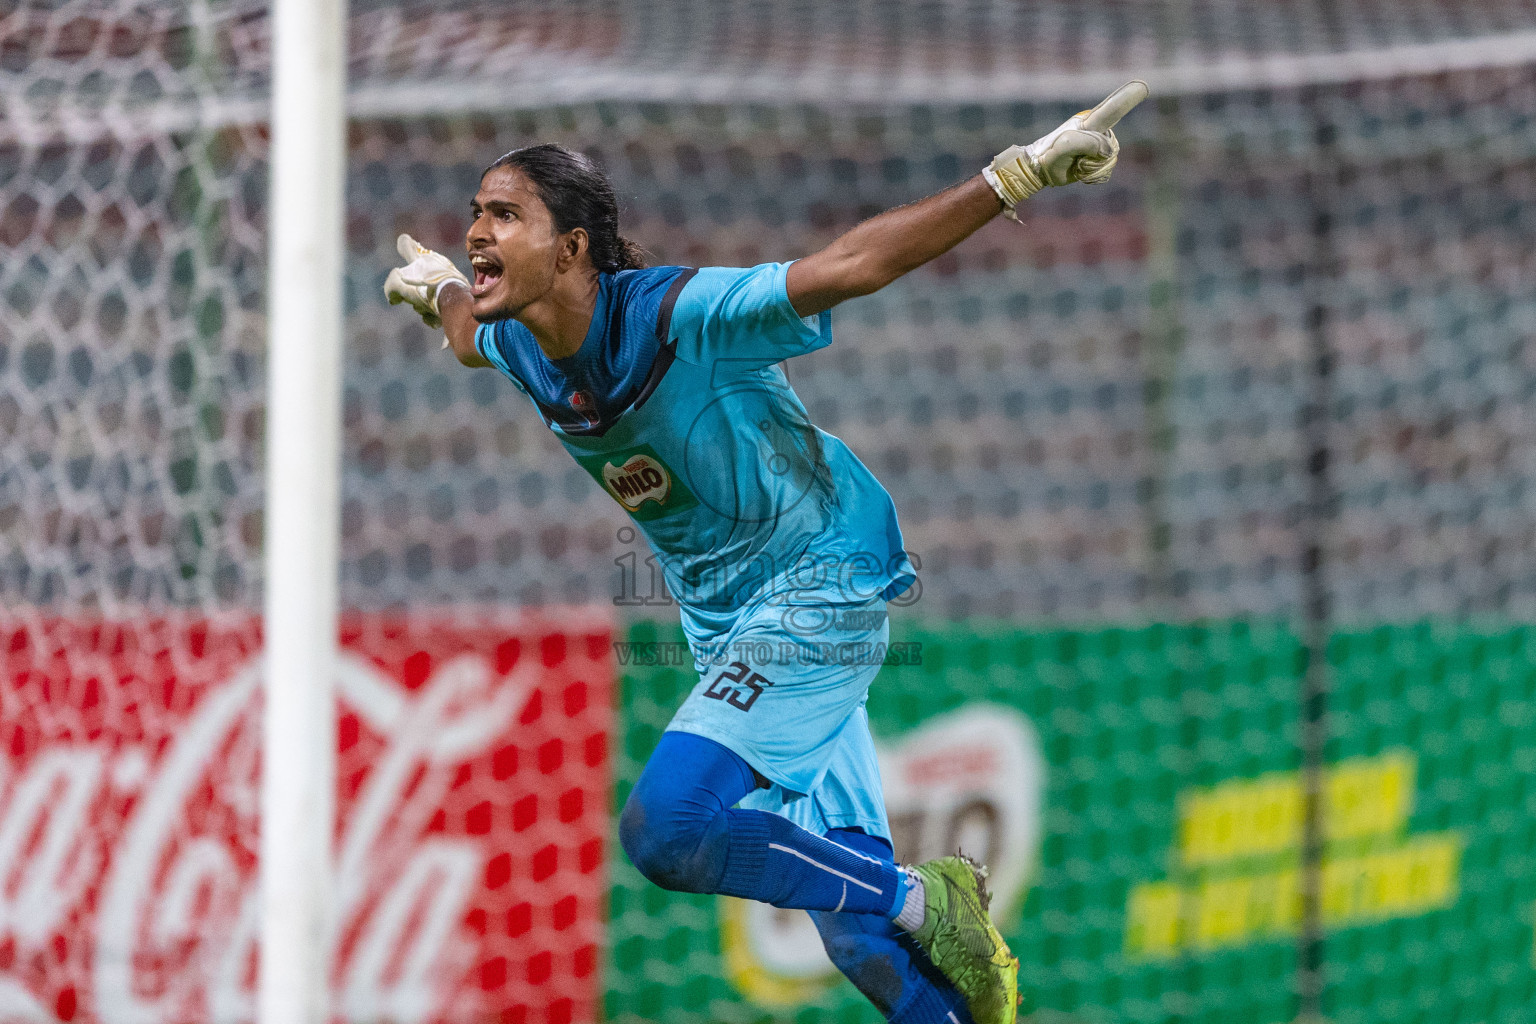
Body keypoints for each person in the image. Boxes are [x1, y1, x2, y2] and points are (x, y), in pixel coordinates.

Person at [385, 81, 1147, 1024]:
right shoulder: (519, 342)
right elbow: (466, 338)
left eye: (504, 215)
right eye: (472, 215)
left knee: (666, 830)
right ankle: (908, 922)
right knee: (854, 934)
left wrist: (1015, 174)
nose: (476, 233)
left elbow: (851, 266)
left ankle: (923, 896)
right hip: (728, 627)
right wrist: (441, 294)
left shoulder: (683, 316)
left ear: (572, 249)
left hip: (820, 584)